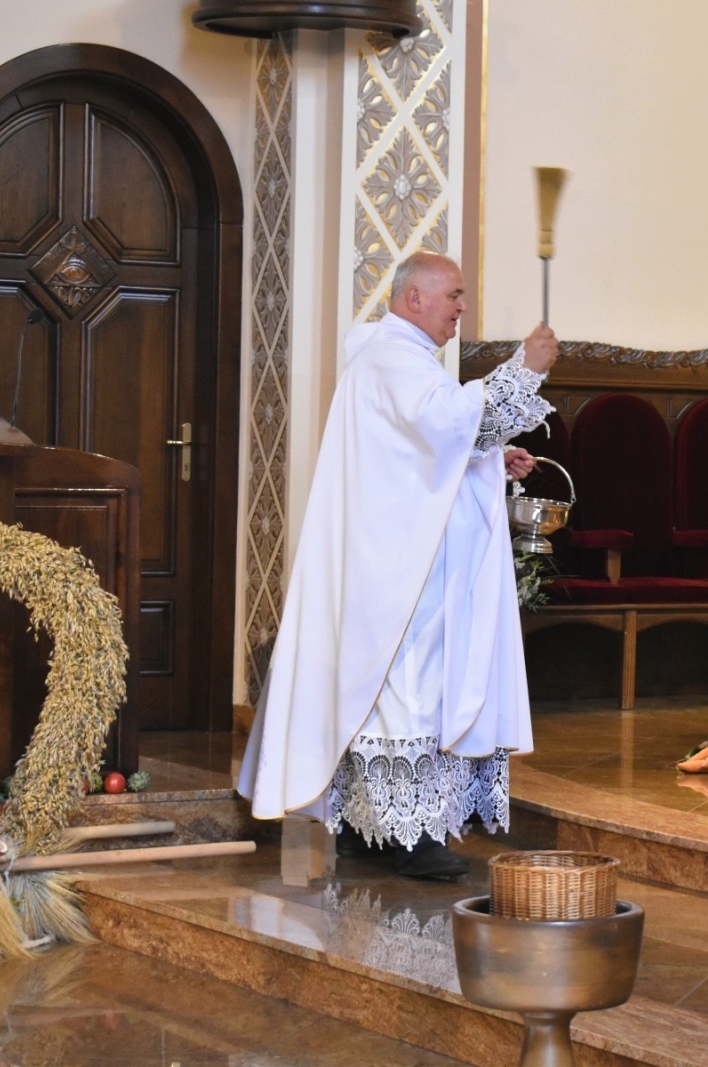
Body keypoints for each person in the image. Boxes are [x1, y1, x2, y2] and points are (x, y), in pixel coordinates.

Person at [237, 252, 557, 879]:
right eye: (454, 296)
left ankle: (367, 827)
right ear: (415, 298)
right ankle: (404, 836)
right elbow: (445, 422)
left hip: (397, 562)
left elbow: (429, 447)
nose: (462, 309)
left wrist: (489, 455)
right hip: (401, 575)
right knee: (404, 689)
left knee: (383, 689)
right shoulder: (392, 360)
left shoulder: (397, 361)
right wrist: (526, 370)